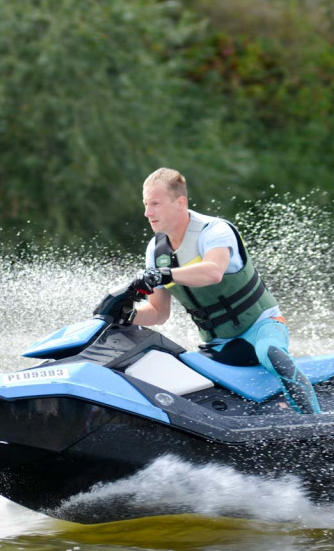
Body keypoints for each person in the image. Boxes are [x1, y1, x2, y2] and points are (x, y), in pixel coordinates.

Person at [131, 168, 322, 414]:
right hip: (219, 345)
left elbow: (213, 272)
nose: (148, 212)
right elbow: (158, 312)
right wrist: (125, 315)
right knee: (173, 371)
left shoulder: (215, 231)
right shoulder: (155, 251)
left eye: (155, 204)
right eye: (146, 204)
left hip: (262, 327)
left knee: (271, 352)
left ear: (180, 202)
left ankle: (314, 422)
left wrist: (164, 274)